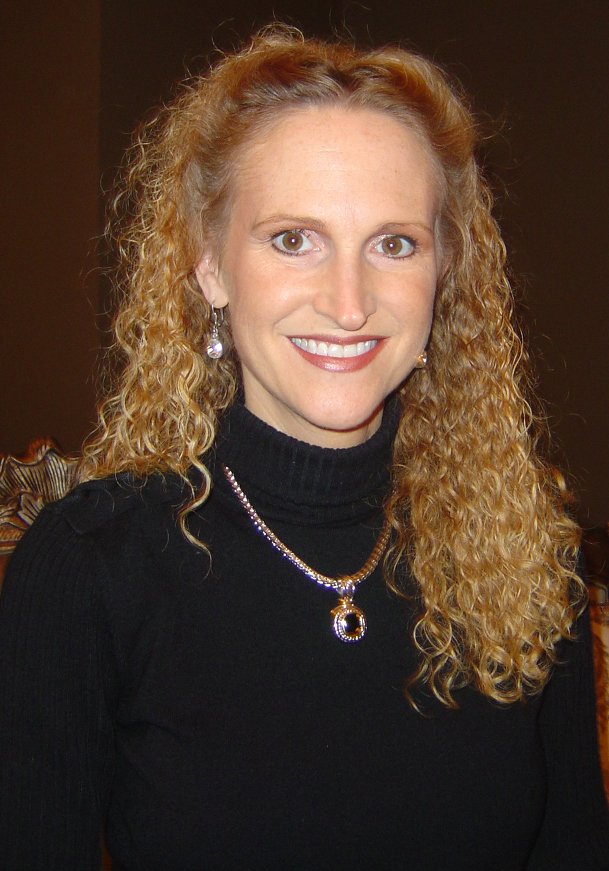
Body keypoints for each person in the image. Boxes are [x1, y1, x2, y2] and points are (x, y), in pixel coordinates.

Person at [1, 24, 608, 871]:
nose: (348, 303)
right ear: (209, 264)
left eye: (393, 243)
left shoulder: (526, 556)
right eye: (293, 239)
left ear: (442, 272)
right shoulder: (89, 565)